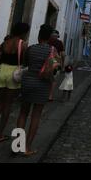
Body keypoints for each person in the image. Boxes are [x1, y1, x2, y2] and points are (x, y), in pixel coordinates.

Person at [16, 24, 57, 156]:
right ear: (49, 37)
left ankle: (17, 145)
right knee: (36, 116)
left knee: (23, 113)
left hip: (27, 81)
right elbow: (54, 68)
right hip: (42, 85)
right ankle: (27, 147)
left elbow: (25, 64)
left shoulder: (31, 49)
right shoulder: (52, 50)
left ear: (39, 35)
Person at [0, 22, 30, 142]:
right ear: (23, 32)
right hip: (13, 74)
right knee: (7, 105)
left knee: (0, 103)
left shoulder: (5, 42)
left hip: (2, 71)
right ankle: (0, 134)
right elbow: (26, 61)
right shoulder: (23, 44)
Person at [48, 29, 65, 102]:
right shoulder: (60, 42)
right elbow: (63, 55)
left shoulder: (47, 41)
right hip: (55, 63)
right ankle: (50, 96)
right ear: (58, 36)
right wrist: (62, 65)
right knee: (53, 80)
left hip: (46, 61)